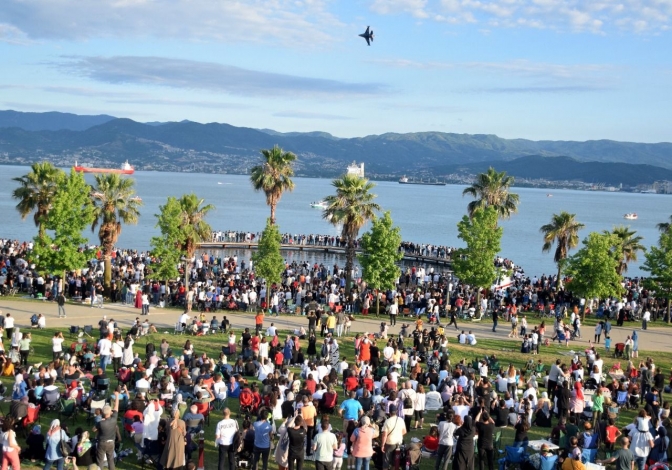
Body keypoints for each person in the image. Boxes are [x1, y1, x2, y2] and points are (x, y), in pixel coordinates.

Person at [95, 390, 120, 470]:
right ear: (110, 412)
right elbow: (116, 407)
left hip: (102, 443)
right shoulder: (114, 419)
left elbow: (94, 429)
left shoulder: (101, 423)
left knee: (100, 460)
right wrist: (117, 396)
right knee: (110, 460)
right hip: (111, 443)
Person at [380, 404, 407, 470]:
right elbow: (404, 431)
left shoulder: (387, 421)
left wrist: (382, 445)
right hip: (399, 442)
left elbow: (384, 435)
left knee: (386, 461)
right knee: (395, 461)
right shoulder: (401, 420)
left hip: (390, 443)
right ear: (396, 411)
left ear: (389, 412)